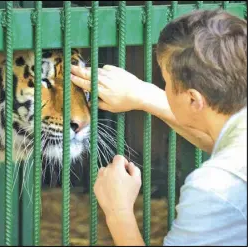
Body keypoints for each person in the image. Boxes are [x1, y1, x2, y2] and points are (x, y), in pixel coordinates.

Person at [70, 9, 247, 246]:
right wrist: (140, 93)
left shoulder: (213, 188)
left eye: (166, 82)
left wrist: (118, 210)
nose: (163, 88)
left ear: (193, 100)